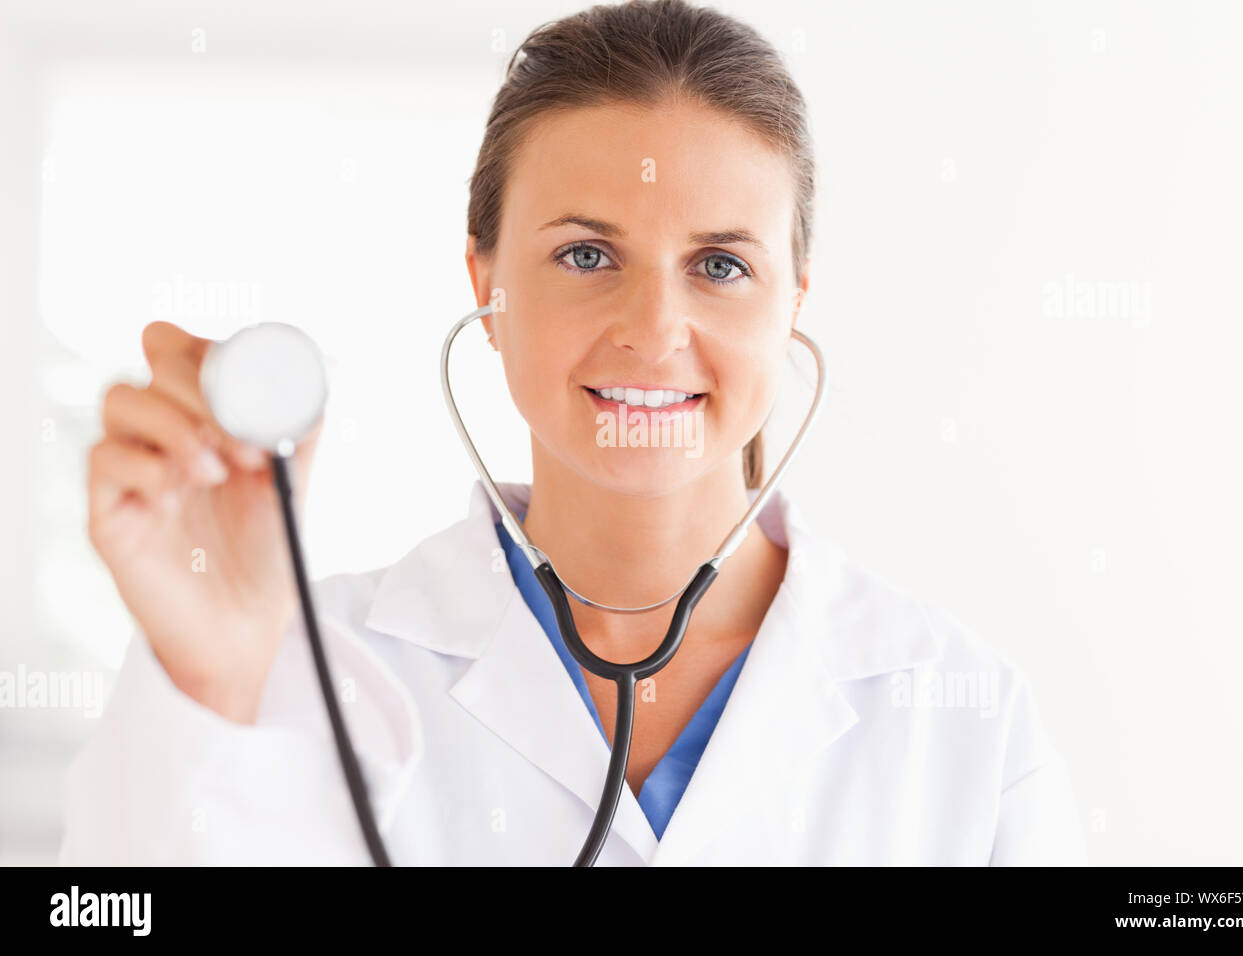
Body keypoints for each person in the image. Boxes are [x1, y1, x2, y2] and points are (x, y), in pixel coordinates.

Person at [62, 0, 1087, 865]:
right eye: (587, 255)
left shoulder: (959, 721)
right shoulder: (288, 669)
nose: (652, 330)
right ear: (486, 283)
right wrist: (214, 687)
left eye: (721, 264)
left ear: (792, 306)